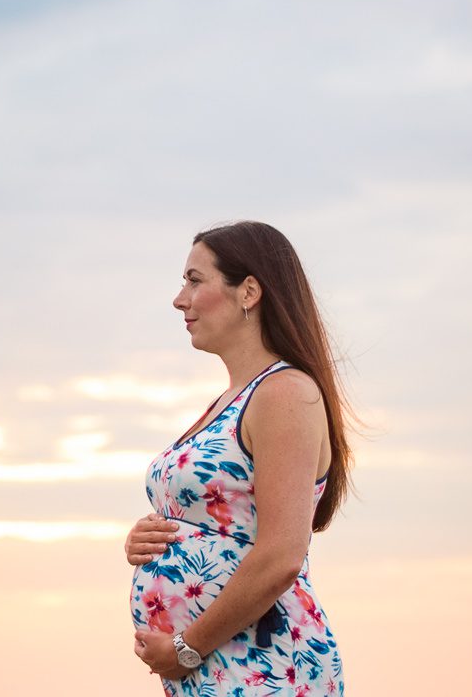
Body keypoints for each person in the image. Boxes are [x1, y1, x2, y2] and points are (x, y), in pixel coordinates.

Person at [125, 221, 350, 696]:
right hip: (219, 666)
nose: (179, 299)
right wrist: (153, 537)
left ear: (248, 291)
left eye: (194, 280)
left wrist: (187, 647)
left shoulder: (285, 393)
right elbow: (225, 519)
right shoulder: (232, 399)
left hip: (264, 666)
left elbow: (282, 556)